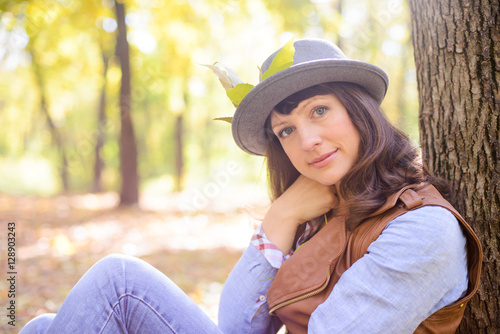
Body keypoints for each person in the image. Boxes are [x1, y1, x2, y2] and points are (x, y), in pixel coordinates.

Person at [21, 38, 482, 334]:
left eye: (319, 110)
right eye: (285, 131)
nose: (307, 141)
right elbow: (237, 326)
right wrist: (281, 217)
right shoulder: (322, 210)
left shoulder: (422, 230)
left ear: (359, 110)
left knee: (117, 282)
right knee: (45, 327)